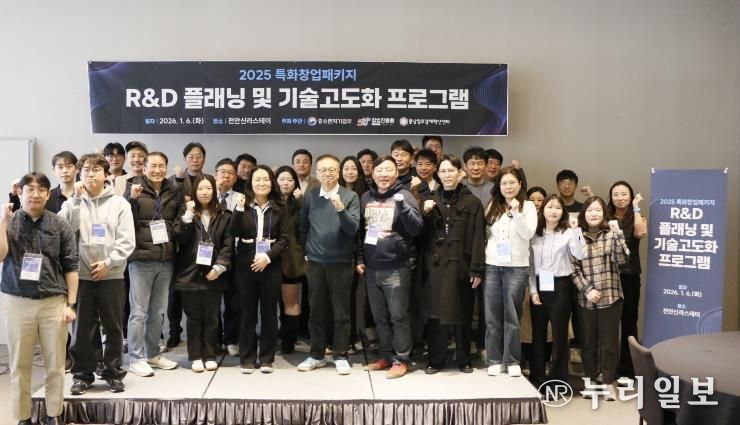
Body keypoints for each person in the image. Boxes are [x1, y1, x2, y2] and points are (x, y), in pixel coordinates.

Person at [0, 172, 79, 425]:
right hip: (17, 300)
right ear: (20, 192)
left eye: (41, 190)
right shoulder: (9, 221)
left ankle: (54, 414)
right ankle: (23, 417)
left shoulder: (60, 224)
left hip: (53, 301)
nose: (35, 194)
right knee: (19, 364)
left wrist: (70, 304)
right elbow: (0, 256)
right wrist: (3, 221)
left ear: (47, 195)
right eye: (30, 189)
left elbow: (71, 265)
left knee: (55, 364)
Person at [60, 154, 135, 395]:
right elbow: (63, 231)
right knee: (82, 329)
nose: (90, 174)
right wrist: (75, 200)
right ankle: (83, 375)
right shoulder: (73, 202)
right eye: (86, 170)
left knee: (113, 328)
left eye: (95, 170)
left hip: (111, 275)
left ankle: (113, 373)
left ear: (106, 174)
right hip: (81, 276)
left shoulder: (120, 204)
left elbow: (127, 241)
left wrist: (109, 263)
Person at [358, 156, 423, 379]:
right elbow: (362, 231)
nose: (383, 174)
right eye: (379, 170)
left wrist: (402, 205)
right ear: (373, 173)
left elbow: (416, 228)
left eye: (388, 170)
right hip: (371, 267)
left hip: (396, 267)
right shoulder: (366, 197)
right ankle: (385, 356)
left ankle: (401, 359)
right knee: (380, 316)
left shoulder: (404, 195)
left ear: (396, 173)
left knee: (398, 317)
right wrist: (360, 258)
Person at [420, 155, 485, 374]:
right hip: (436, 265)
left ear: (460, 173)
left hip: (462, 265)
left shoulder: (473, 202)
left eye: (451, 171)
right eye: (443, 171)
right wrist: (425, 213)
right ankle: (436, 359)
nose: (447, 175)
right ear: (438, 174)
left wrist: (477, 268)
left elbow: (478, 237)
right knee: (435, 314)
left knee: (462, 312)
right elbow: (420, 235)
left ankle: (464, 358)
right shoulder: (429, 200)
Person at [297, 154, 360, 375]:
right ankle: (316, 354)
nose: (327, 174)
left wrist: (341, 209)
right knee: (316, 311)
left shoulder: (350, 196)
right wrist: (307, 252)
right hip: (315, 263)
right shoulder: (311, 196)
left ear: (338, 172)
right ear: (317, 172)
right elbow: (303, 227)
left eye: (332, 169)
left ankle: (341, 355)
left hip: (341, 263)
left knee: (341, 312)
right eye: (323, 170)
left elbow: (353, 229)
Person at [124, 151, 183, 377]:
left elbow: (176, 221)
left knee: (158, 312)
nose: (158, 170)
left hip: (165, 259)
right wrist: (132, 199)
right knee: (138, 312)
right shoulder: (133, 187)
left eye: (161, 166)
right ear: (144, 167)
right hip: (141, 259)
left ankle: (152, 354)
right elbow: (123, 220)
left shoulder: (172, 190)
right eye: (153, 166)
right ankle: (136, 358)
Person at [231, 165, 289, 373]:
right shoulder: (243, 205)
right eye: (257, 179)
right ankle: (247, 357)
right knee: (247, 312)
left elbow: (284, 239)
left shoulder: (280, 207)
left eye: (265, 179)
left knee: (269, 312)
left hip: (271, 263)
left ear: (271, 183)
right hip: (245, 262)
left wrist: (267, 257)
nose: (261, 183)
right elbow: (233, 231)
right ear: (250, 183)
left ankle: (266, 358)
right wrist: (238, 210)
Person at [572, 196, 630, 400]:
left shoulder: (611, 234)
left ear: (604, 213)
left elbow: (622, 259)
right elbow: (573, 267)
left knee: (609, 344)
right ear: (584, 214)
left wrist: (618, 233)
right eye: (589, 210)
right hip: (585, 299)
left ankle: (607, 382)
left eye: (597, 210)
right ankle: (589, 381)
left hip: (611, 296)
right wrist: (587, 289)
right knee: (588, 343)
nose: (593, 214)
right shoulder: (577, 236)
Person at [174, 174, 233, 373]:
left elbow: (228, 244)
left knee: (212, 317)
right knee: (193, 318)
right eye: (200, 189)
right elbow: (180, 237)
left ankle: (210, 355)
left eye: (208, 188)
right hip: (189, 272)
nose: (205, 192)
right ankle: (195, 356)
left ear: (214, 191)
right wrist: (188, 216)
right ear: (194, 192)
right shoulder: (185, 211)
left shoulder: (224, 214)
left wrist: (219, 267)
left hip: (214, 272)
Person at [527, 194, 585, 388]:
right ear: (542, 209)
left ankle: (557, 380)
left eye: (558, 208)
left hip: (561, 285)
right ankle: (536, 377)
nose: (554, 211)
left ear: (563, 212)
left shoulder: (568, 232)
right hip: (539, 285)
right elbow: (530, 265)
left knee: (560, 335)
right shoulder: (534, 233)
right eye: (550, 207)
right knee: (538, 334)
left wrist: (576, 230)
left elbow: (580, 254)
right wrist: (532, 290)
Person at [484, 166, 537, 377]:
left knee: (513, 315)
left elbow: (528, 234)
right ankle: (494, 359)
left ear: (520, 184)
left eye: (512, 183)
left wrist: (515, 212)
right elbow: (486, 233)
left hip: (517, 266)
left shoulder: (528, 206)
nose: (508, 187)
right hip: (493, 265)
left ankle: (512, 360)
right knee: (492, 315)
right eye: (504, 183)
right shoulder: (493, 205)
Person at [167, 142, 210, 348]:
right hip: (179, 241)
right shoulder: (174, 180)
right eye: (191, 156)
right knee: (175, 293)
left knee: (205, 291)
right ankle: (175, 331)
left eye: (199, 155)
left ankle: (209, 334)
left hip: (202, 242)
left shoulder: (208, 180)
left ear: (204, 158)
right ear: (185, 159)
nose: (195, 159)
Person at [606, 181, 647, 386]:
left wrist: (637, 207)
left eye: (624, 194)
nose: (620, 198)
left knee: (629, 323)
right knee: (609, 325)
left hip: (630, 276)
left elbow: (640, 233)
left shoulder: (637, 217)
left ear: (630, 197)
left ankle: (627, 370)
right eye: (616, 194)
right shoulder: (606, 218)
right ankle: (608, 369)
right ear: (611, 197)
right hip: (608, 277)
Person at [275, 165, 306, 354]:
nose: (285, 183)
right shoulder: (271, 203)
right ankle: (277, 335)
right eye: (282, 179)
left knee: (291, 301)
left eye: (289, 180)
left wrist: (301, 202)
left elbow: (305, 228)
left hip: (292, 260)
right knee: (273, 302)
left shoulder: (300, 204)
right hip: (270, 259)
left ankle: (289, 341)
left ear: (295, 183)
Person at [214, 158, 241, 357]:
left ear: (236, 177)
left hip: (235, 255)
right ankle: (215, 339)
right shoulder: (206, 195)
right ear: (215, 174)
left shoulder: (242, 198)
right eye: (222, 172)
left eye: (230, 173)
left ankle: (231, 339)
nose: (226, 176)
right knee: (212, 301)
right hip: (212, 256)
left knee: (233, 301)